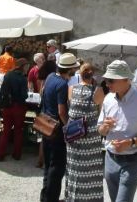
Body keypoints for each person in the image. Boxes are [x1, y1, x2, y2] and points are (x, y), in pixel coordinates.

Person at [98, 60, 137, 201]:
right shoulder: (108, 99)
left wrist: (131, 142)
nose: (107, 84)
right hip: (110, 158)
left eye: (110, 80)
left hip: (133, 159)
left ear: (124, 79)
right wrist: (104, 127)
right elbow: (101, 131)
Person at [40, 52, 80, 202]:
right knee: (56, 169)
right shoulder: (63, 84)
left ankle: (45, 198)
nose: (75, 71)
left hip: (45, 125)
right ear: (69, 70)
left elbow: (43, 94)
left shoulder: (50, 77)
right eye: (74, 68)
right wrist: (71, 127)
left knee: (48, 166)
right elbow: (62, 111)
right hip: (56, 129)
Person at [65, 62, 105, 201]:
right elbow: (101, 113)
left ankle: (72, 196)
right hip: (91, 135)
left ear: (79, 74)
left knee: (73, 166)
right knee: (91, 170)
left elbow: (70, 106)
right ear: (92, 74)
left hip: (73, 133)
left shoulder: (71, 89)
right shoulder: (98, 91)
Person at [0, 58, 30, 161]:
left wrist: (1, 104)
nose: (27, 68)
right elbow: (24, 95)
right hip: (18, 107)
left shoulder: (8, 75)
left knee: (5, 130)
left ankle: (0, 154)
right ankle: (16, 154)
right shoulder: (23, 78)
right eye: (26, 66)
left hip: (7, 106)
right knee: (18, 131)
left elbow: (2, 91)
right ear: (23, 66)